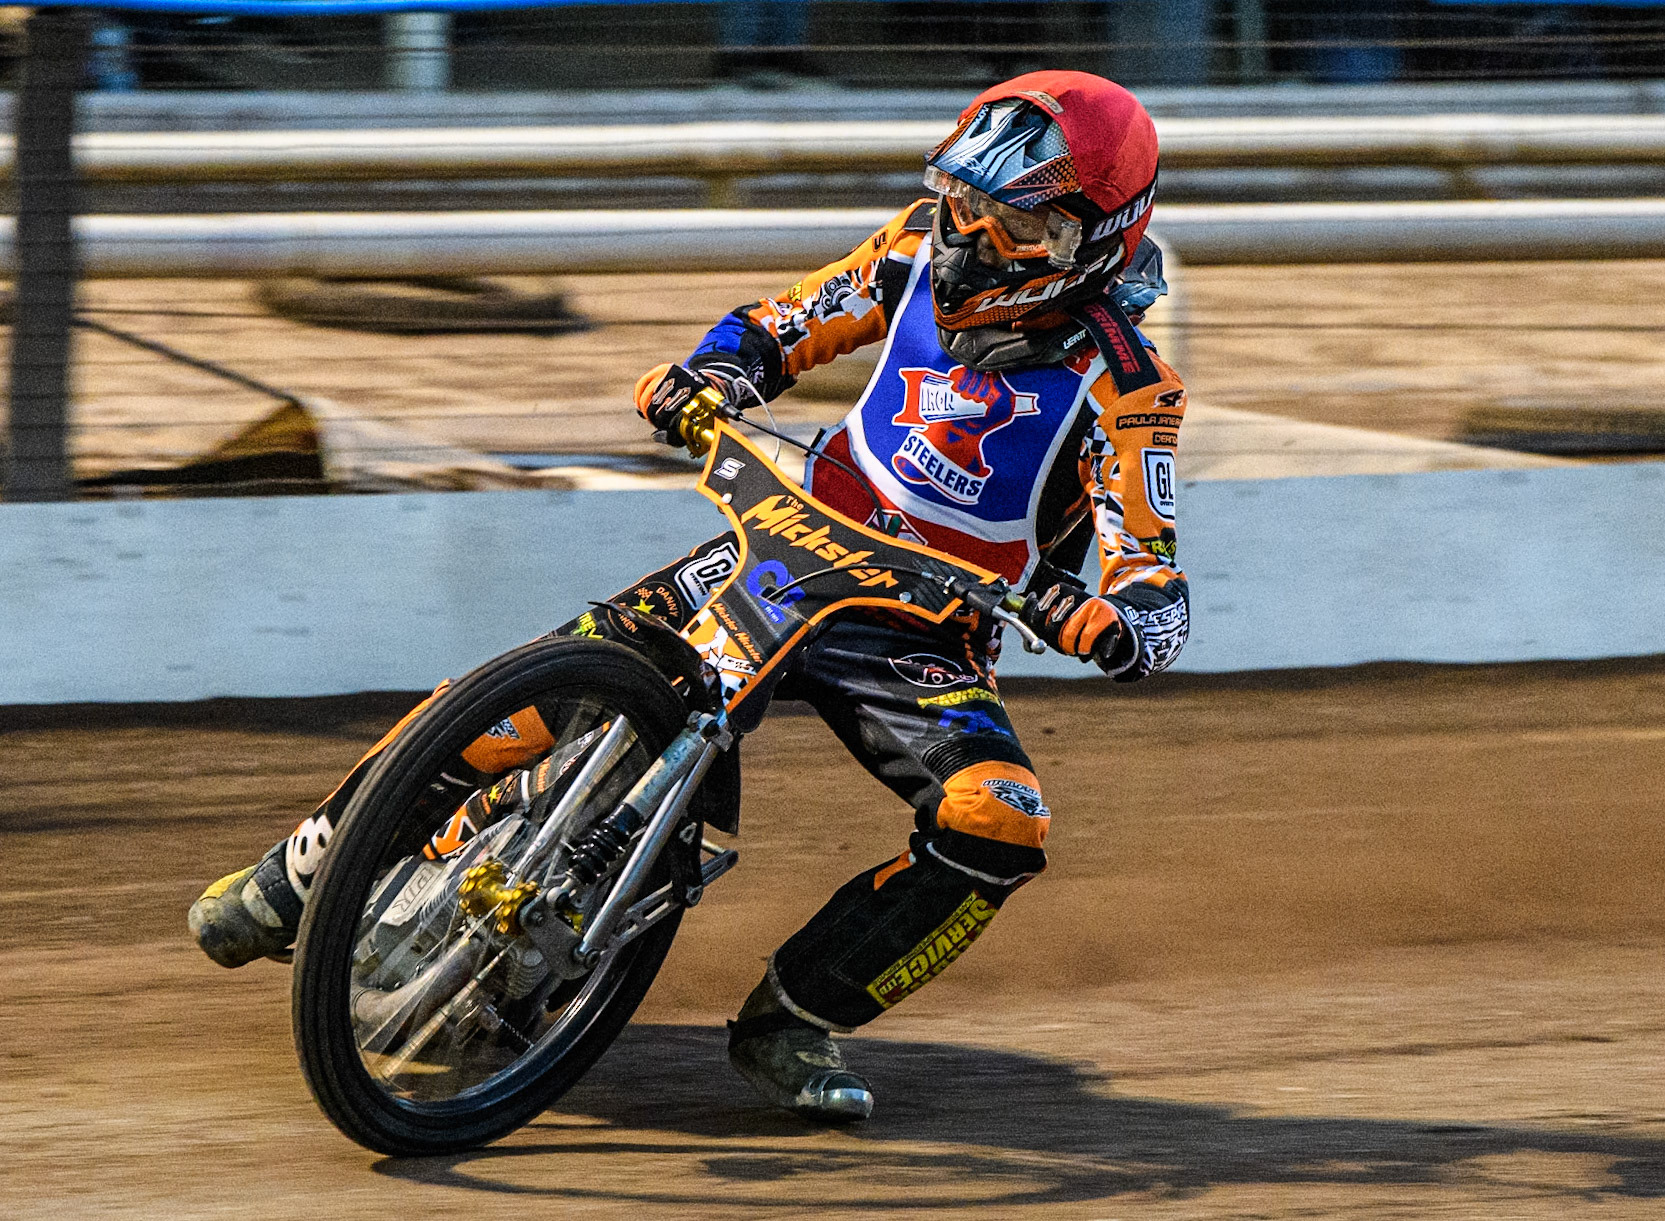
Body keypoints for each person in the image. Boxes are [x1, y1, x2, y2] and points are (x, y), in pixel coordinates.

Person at [189, 70, 1189, 1123]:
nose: (971, 238)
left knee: (1001, 820)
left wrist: (1115, 617)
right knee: (538, 684)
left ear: (1098, 238)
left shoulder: (1129, 387)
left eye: (1015, 223)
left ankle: (795, 1018)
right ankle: (299, 873)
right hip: (792, 540)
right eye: (962, 202)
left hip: (921, 629)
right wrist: (710, 373)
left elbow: (1150, 571)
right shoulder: (909, 250)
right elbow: (784, 322)